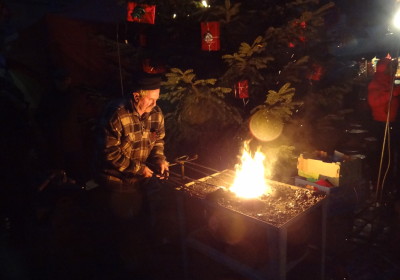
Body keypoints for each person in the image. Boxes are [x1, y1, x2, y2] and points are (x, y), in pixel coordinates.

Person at [92, 72, 169, 278]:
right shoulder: (116, 113)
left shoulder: (156, 113)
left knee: (140, 223)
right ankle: (118, 268)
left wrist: (160, 159)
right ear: (137, 96)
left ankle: (140, 263)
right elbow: (109, 153)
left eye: (157, 99)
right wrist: (139, 168)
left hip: (139, 182)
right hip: (115, 182)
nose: (154, 103)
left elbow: (158, 141)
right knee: (122, 230)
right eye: (150, 99)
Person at [367, 57, 400, 196]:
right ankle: (380, 185)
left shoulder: (389, 81)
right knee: (383, 156)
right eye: (389, 68)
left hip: (391, 122)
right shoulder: (376, 83)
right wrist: (392, 93)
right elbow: (374, 102)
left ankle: (388, 183)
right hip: (381, 124)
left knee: (391, 155)